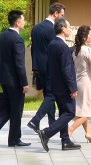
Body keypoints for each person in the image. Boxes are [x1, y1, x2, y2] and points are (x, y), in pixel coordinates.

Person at [35, 18, 82, 152]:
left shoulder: (52, 44)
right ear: (62, 29)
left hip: (55, 85)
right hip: (64, 87)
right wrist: (72, 88)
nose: (70, 29)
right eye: (69, 27)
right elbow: (67, 69)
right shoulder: (62, 46)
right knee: (70, 112)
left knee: (63, 112)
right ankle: (47, 133)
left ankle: (65, 140)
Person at [0, 11, 30, 146]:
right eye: (23, 19)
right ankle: (14, 139)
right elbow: (19, 64)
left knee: (11, 107)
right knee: (16, 110)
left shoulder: (2, 36)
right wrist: (24, 82)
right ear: (17, 22)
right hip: (15, 81)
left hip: (4, 79)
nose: (24, 22)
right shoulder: (18, 40)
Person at [28, 2, 65, 132]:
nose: (62, 18)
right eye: (61, 15)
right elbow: (55, 48)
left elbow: (33, 48)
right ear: (55, 14)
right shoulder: (52, 29)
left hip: (38, 66)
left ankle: (51, 123)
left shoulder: (36, 27)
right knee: (51, 96)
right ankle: (36, 120)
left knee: (48, 96)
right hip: (49, 67)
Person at [69, 25, 91, 143]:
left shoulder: (75, 51)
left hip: (77, 81)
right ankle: (70, 130)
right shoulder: (88, 50)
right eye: (90, 34)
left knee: (82, 109)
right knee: (87, 111)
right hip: (86, 83)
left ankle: (88, 133)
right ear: (85, 37)